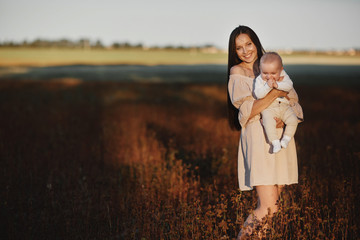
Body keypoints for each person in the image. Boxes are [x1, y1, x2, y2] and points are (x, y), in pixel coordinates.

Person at [226, 25, 303, 239]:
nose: (245, 50)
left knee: (273, 208)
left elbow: (294, 101)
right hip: (258, 139)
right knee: (268, 207)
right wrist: (276, 93)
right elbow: (249, 110)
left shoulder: (272, 65)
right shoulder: (237, 72)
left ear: (255, 42)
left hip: (280, 138)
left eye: (248, 44)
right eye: (239, 48)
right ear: (234, 52)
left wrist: (283, 113)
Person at [254, 52, 299, 153]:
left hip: (284, 106)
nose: (269, 77)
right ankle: (275, 142)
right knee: (268, 122)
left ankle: (286, 139)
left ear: (281, 70)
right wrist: (267, 86)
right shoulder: (259, 80)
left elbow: (289, 85)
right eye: (265, 73)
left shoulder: (284, 75)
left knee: (293, 120)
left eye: (273, 73)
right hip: (268, 107)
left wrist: (277, 85)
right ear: (261, 69)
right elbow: (258, 94)